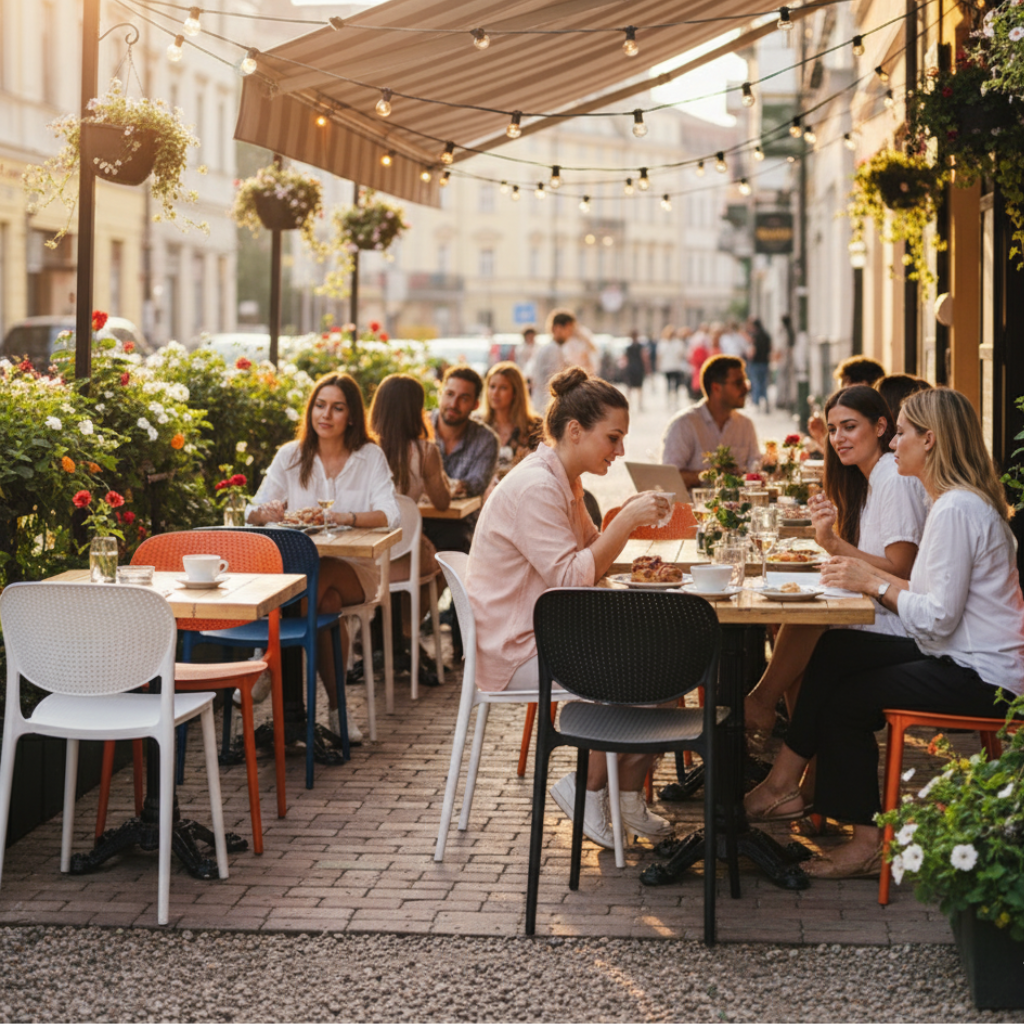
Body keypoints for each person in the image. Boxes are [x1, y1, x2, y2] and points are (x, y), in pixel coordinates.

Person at [744, 387, 1024, 878]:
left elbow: (935, 617)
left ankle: (860, 838)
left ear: (930, 440)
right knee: (833, 649)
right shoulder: (956, 503)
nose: (895, 445)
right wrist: (863, 575)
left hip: (985, 679)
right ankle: (789, 784)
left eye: (901, 434)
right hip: (966, 659)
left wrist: (870, 580)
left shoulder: (956, 510)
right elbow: (928, 592)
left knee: (845, 698)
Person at [466, 367, 674, 848]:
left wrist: (632, 534)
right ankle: (585, 789)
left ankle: (624, 801)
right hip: (515, 648)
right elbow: (571, 576)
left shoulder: (563, 477)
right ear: (575, 431)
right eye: (613, 438)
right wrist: (625, 523)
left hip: (545, 632)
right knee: (644, 672)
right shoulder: (539, 486)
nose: (620, 451)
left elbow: (589, 555)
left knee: (672, 673)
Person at [744, 385, 931, 748]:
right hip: (874, 608)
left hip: (902, 619)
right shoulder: (866, 480)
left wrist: (832, 544)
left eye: (849, 427)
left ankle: (760, 706)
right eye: (832, 430)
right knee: (798, 622)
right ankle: (807, 769)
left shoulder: (894, 480)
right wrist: (831, 541)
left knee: (809, 621)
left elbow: (902, 571)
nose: (837, 438)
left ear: (880, 427)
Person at [248, 372, 401, 743]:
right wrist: (266, 511)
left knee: (324, 573)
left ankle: (269, 658)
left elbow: (390, 515)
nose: (325, 415)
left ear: (351, 416)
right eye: (319, 405)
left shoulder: (369, 457)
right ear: (310, 410)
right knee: (324, 604)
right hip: (303, 579)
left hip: (356, 570)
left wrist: (340, 517)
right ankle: (338, 712)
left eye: (337, 408)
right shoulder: (290, 456)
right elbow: (251, 512)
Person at [369, 374, 451, 685]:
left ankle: (383, 644)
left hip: (367, 557)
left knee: (417, 555)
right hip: (405, 557)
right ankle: (406, 635)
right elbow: (442, 502)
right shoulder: (425, 451)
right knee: (440, 562)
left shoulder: (365, 450)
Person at [425, 365, 499, 557]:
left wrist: (429, 487)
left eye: (463, 398)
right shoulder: (421, 427)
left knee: (453, 540)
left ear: (475, 404)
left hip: (460, 523)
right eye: (449, 394)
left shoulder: (486, 440)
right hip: (418, 519)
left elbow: (476, 484)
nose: (454, 403)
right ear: (440, 393)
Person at [660, 354, 760, 489]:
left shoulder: (745, 425)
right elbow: (668, 477)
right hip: (694, 507)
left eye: (745, 382)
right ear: (716, 388)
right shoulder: (684, 424)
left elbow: (756, 469)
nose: (745, 388)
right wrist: (713, 475)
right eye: (738, 383)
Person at [477, 361, 543, 488]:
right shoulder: (478, 425)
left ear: (515, 392)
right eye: (492, 386)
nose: (495, 393)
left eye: (503, 388)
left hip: (523, 492)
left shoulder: (534, 426)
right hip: (485, 496)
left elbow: (543, 468)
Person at [530, 310, 576, 412]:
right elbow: (557, 381)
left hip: (541, 404)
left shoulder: (549, 348)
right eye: (569, 328)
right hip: (545, 406)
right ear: (557, 328)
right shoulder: (553, 350)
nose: (570, 333)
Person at [746, 317, 773, 413]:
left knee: (756, 383)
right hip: (765, 362)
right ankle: (765, 402)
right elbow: (770, 348)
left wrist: (748, 356)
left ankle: (756, 403)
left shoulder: (755, 336)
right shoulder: (766, 335)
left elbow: (753, 350)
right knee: (764, 384)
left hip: (756, 363)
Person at [658, 326, 688, 409]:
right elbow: (682, 355)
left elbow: (659, 356)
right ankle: (674, 402)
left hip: (669, 366)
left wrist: (659, 365)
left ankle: (670, 402)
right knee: (676, 385)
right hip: (675, 366)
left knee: (669, 385)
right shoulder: (677, 343)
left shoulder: (663, 343)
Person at [624, 330, 647, 411]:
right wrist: (647, 368)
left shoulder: (628, 347)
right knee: (639, 387)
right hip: (639, 368)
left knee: (629, 387)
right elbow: (644, 358)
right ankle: (639, 404)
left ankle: (628, 403)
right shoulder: (640, 346)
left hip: (630, 368)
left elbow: (625, 359)